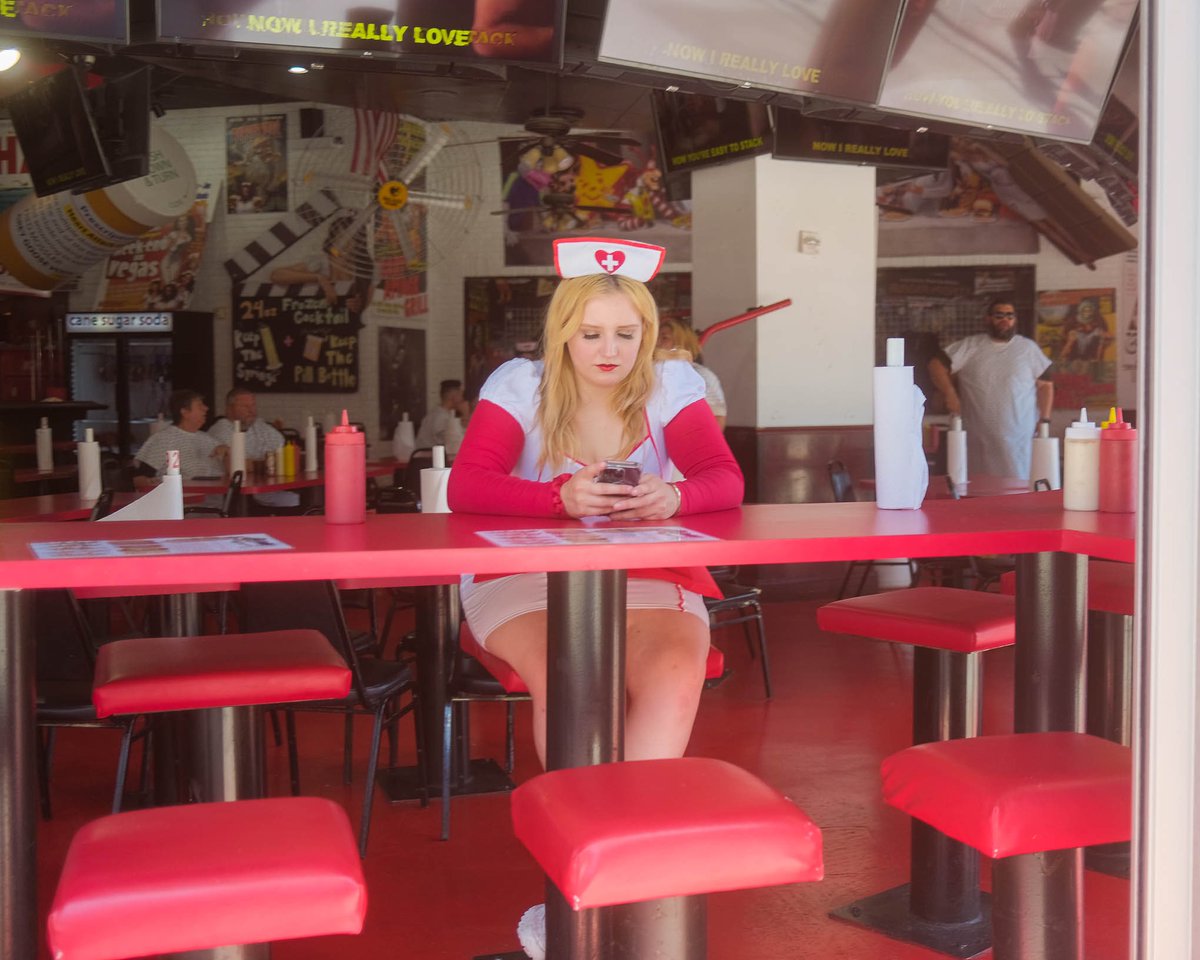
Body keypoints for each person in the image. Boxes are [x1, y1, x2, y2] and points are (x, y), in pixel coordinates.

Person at [447, 236, 744, 771]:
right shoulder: (520, 385)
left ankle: (618, 833)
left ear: (647, 335)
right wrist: (557, 498)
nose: (610, 352)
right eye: (591, 335)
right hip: (523, 573)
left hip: (649, 571)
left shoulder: (671, 384)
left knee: (677, 670)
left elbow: (724, 479)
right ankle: (595, 832)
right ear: (562, 334)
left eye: (626, 335)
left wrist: (674, 496)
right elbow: (466, 485)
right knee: (571, 673)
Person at [928, 298, 1054, 479]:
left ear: (1015, 320)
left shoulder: (1028, 348)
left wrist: (1045, 419)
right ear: (988, 319)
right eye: (999, 315)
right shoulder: (971, 346)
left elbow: (1046, 386)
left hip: (1019, 436)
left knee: (1019, 487)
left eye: (1010, 316)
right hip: (979, 437)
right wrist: (950, 394)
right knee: (979, 488)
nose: (1005, 320)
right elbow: (936, 365)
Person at [207, 388, 300, 510]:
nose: (252, 411)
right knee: (296, 500)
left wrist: (263, 462)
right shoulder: (221, 429)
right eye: (245, 406)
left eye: (253, 405)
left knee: (304, 497)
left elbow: (283, 451)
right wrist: (268, 461)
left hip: (269, 488)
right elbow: (239, 465)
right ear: (229, 408)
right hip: (237, 495)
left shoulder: (259, 425)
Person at [133, 389, 227, 480]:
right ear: (184, 412)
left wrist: (227, 451)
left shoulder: (207, 438)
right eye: (200, 406)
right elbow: (141, 478)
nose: (206, 408)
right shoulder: (164, 439)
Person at [656, 316, 726, 428]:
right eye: (656, 338)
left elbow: (718, 417)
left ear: (682, 343)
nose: (657, 343)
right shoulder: (652, 373)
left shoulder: (699, 375)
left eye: (664, 338)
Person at [415, 379, 471, 449]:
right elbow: (454, 443)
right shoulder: (440, 417)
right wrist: (465, 414)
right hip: (428, 458)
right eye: (461, 394)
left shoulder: (441, 414)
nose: (462, 398)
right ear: (454, 396)